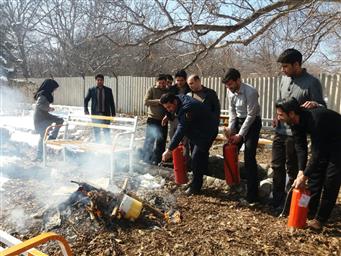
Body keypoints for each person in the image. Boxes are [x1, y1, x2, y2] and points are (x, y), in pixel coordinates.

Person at [271, 49, 326, 209]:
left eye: (286, 66)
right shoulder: (284, 80)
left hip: (295, 135)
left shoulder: (312, 82)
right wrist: (277, 116)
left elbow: (322, 107)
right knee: (276, 166)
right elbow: (281, 102)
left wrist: (316, 105)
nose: (283, 70)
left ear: (297, 64)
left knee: (292, 168)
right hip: (279, 131)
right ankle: (277, 200)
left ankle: (290, 204)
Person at [275, 97, 341, 230]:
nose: (278, 117)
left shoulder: (315, 120)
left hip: (339, 142)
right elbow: (301, 147)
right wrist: (301, 171)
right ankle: (309, 212)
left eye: (281, 114)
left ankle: (320, 220)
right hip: (325, 141)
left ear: (292, 113)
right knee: (315, 176)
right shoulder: (294, 122)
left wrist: (304, 175)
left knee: (331, 180)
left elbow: (316, 154)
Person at [161, 93, 218, 195]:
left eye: (169, 107)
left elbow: (181, 129)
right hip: (196, 130)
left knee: (196, 158)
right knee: (199, 157)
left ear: (174, 102)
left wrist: (169, 149)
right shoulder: (178, 97)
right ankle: (200, 178)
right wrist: (168, 115)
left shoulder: (188, 107)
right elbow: (174, 111)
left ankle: (196, 187)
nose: (168, 109)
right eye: (166, 108)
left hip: (206, 132)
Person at [222, 68, 262, 204]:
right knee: (229, 150)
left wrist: (240, 135)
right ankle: (233, 185)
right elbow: (232, 112)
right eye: (227, 85)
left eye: (231, 84)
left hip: (252, 123)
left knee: (249, 156)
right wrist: (231, 129)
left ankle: (253, 195)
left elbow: (251, 115)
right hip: (239, 121)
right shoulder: (229, 91)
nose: (229, 87)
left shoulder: (251, 91)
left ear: (238, 80)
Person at [141, 74, 169, 165]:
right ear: (156, 82)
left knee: (161, 141)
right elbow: (146, 102)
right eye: (160, 83)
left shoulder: (168, 91)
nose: (162, 85)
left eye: (163, 83)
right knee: (149, 140)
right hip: (152, 119)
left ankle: (158, 160)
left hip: (163, 120)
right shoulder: (152, 89)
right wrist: (159, 101)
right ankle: (146, 159)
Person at [33, 79, 64, 161]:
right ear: (49, 87)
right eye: (54, 88)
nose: (54, 90)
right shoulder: (43, 95)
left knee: (60, 120)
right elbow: (39, 105)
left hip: (45, 116)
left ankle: (52, 137)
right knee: (43, 136)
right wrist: (48, 108)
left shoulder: (46, 94)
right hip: (40, 118)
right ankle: (39, 157)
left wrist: (48, 109)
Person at [84, 74, 116, 143]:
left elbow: (112, 103)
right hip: (95, 114)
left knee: (106, 131)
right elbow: (86, 100)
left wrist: (113, 114)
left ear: (103, 81)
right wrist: (86, 110)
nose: (99, 81)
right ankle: (98, 146)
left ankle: (108, 146)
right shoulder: (91, 90)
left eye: (101, 80)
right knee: (97, 132)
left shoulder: (108, 90)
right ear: (96, 81)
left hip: (106, 114)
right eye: (98, 80)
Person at [166, 70, 191, 139]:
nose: (179, 82)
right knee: (172, 136)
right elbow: (167, 103)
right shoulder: (171, 89)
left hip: (185, 117)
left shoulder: (190, 89)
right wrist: (167, 115)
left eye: (182, 80)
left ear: (185, 80)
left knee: (184, 139)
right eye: (178, 80)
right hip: (173, 117)